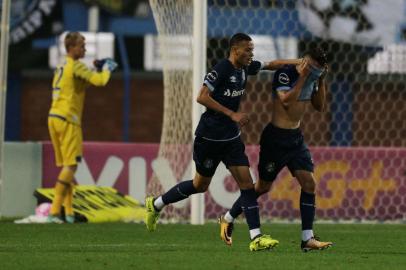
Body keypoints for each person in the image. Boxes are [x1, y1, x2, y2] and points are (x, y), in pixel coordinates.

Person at [144, 33, 300, 251]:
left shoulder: (245, 68)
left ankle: (256, 237)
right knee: (199, 185)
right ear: (235, 49)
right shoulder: (222, 69)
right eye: (247, 50)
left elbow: (272, 64)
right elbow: (202, 96)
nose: (251, 54)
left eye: (252, 50)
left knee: (247, 184)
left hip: (231, 140)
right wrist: (232, 114)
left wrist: (300, 62)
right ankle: (156, 203)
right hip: (209, 138)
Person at [218, 46, 333, 252]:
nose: (314, 71)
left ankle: (307, 238)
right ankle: (228, 218)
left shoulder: (313, 77)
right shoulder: (285, 73)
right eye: (313, 67)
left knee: (309, 184)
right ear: (304, 62)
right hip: (275, 139)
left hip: (296, 139)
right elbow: (286, 101)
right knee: (262, 187)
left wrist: (321, 81)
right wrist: (304, 78)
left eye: (319, 69)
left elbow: (320, 106)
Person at [47, 32, 118, 223]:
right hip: (68, 119)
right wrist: (108, 68)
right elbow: (100, 81)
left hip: (54, 117)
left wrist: (98, 68)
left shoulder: (62, 66)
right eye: (82, 45)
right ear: (71, 48)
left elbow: (79, 85)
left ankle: (68, 213)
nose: (84, 49)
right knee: (71, 166)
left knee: (66, 167)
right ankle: (54, 212)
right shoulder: (76, 65)